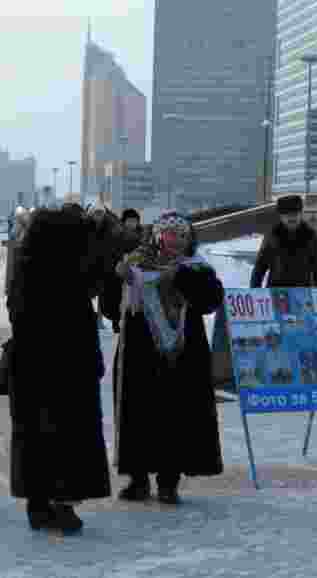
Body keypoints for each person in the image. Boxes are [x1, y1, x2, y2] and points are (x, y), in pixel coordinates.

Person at [8, 206, 122, 533]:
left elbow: (18, 315)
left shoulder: (27, 270)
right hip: (68, 368)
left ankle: (39, 502)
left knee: (36, 434)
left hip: (32, 368)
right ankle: (63, 504)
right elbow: (102, 268)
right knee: (70, 435)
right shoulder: (74, 272)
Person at [107, 212, 226, 505]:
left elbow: (212, 300)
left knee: (176, 415)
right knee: (138, 412)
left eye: (181, 236)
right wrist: (117, 279)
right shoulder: (134, 262)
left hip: (182, 355)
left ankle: (168, 481)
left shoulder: (196, 267)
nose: (175, 242)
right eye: (169, 235)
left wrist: (182, 277)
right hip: (140, 352)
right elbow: (111, 305)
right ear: (158, 237)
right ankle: (137, 479)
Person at [250, 195, 317, 288]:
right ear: (281, 216)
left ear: (301, 213)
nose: (291, 218)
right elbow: (260, 266)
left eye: (295, 214)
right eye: (287, 214)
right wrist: (255, 289)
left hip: (302, 291)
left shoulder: (310, 235)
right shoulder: (273, 235)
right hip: (276, 290)